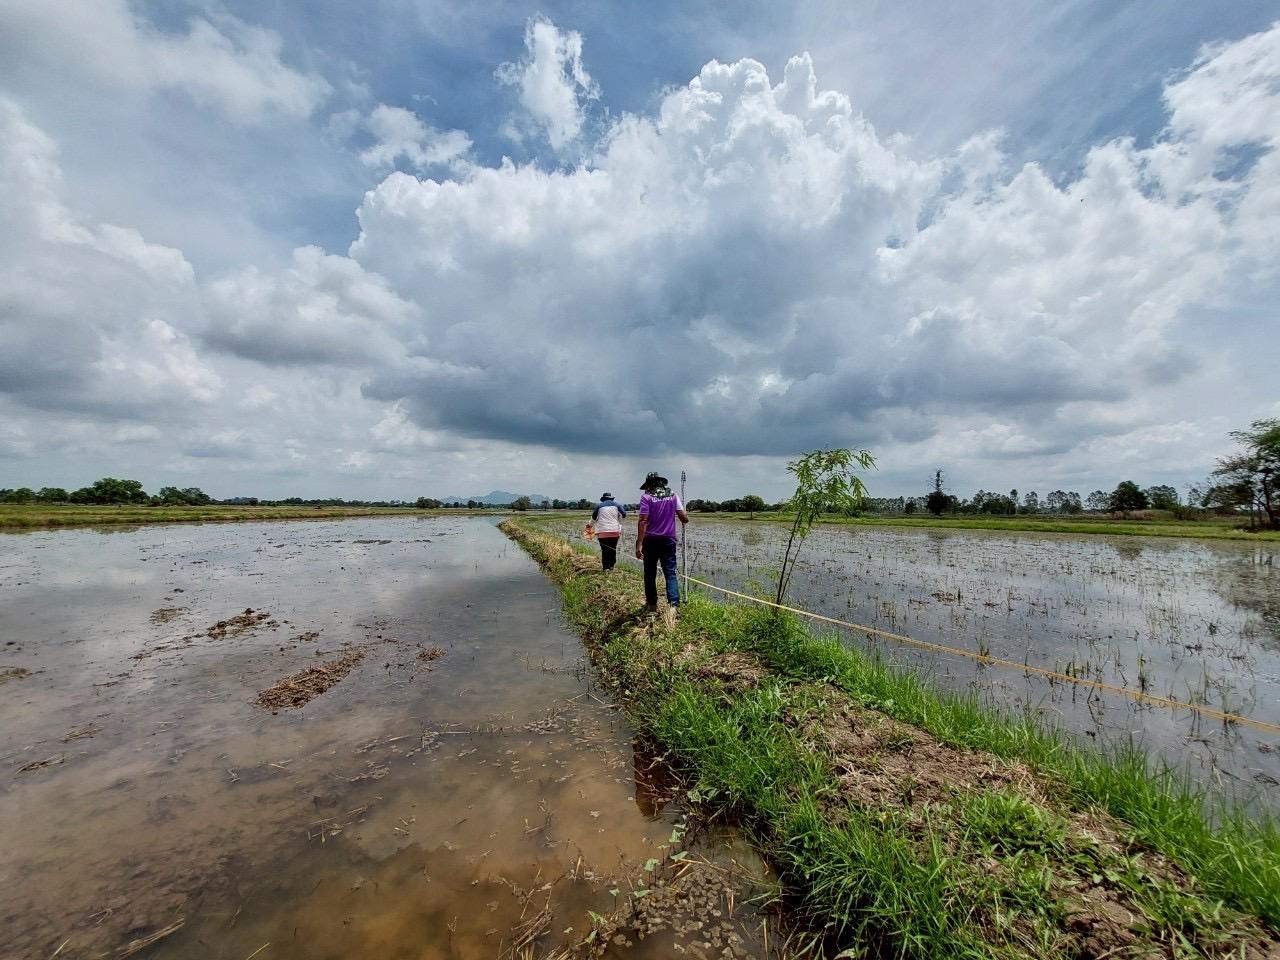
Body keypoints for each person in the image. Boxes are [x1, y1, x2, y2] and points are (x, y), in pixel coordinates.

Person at [635, 471, 688, 612]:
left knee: (650, 573)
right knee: (670, 573)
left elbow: (643, 520)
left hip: (650, 541)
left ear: (649, 485)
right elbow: (684, 518)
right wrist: (684, 514)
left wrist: (639, 544)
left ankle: (652, 606)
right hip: (668, 541)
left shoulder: (646, 497)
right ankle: (673, 606)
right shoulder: (673, 495)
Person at [591, 492, 626, 570]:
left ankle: (605, 567)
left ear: (603, 499)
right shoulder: (617, 505)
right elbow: (624, 514)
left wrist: (589, 525)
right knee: (613, 548)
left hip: (602, 532)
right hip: (615, 531)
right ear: (611, 498)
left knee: (605, 550)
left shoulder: (599, 506)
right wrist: (619, 520)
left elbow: (593, 518)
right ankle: (611, 566)